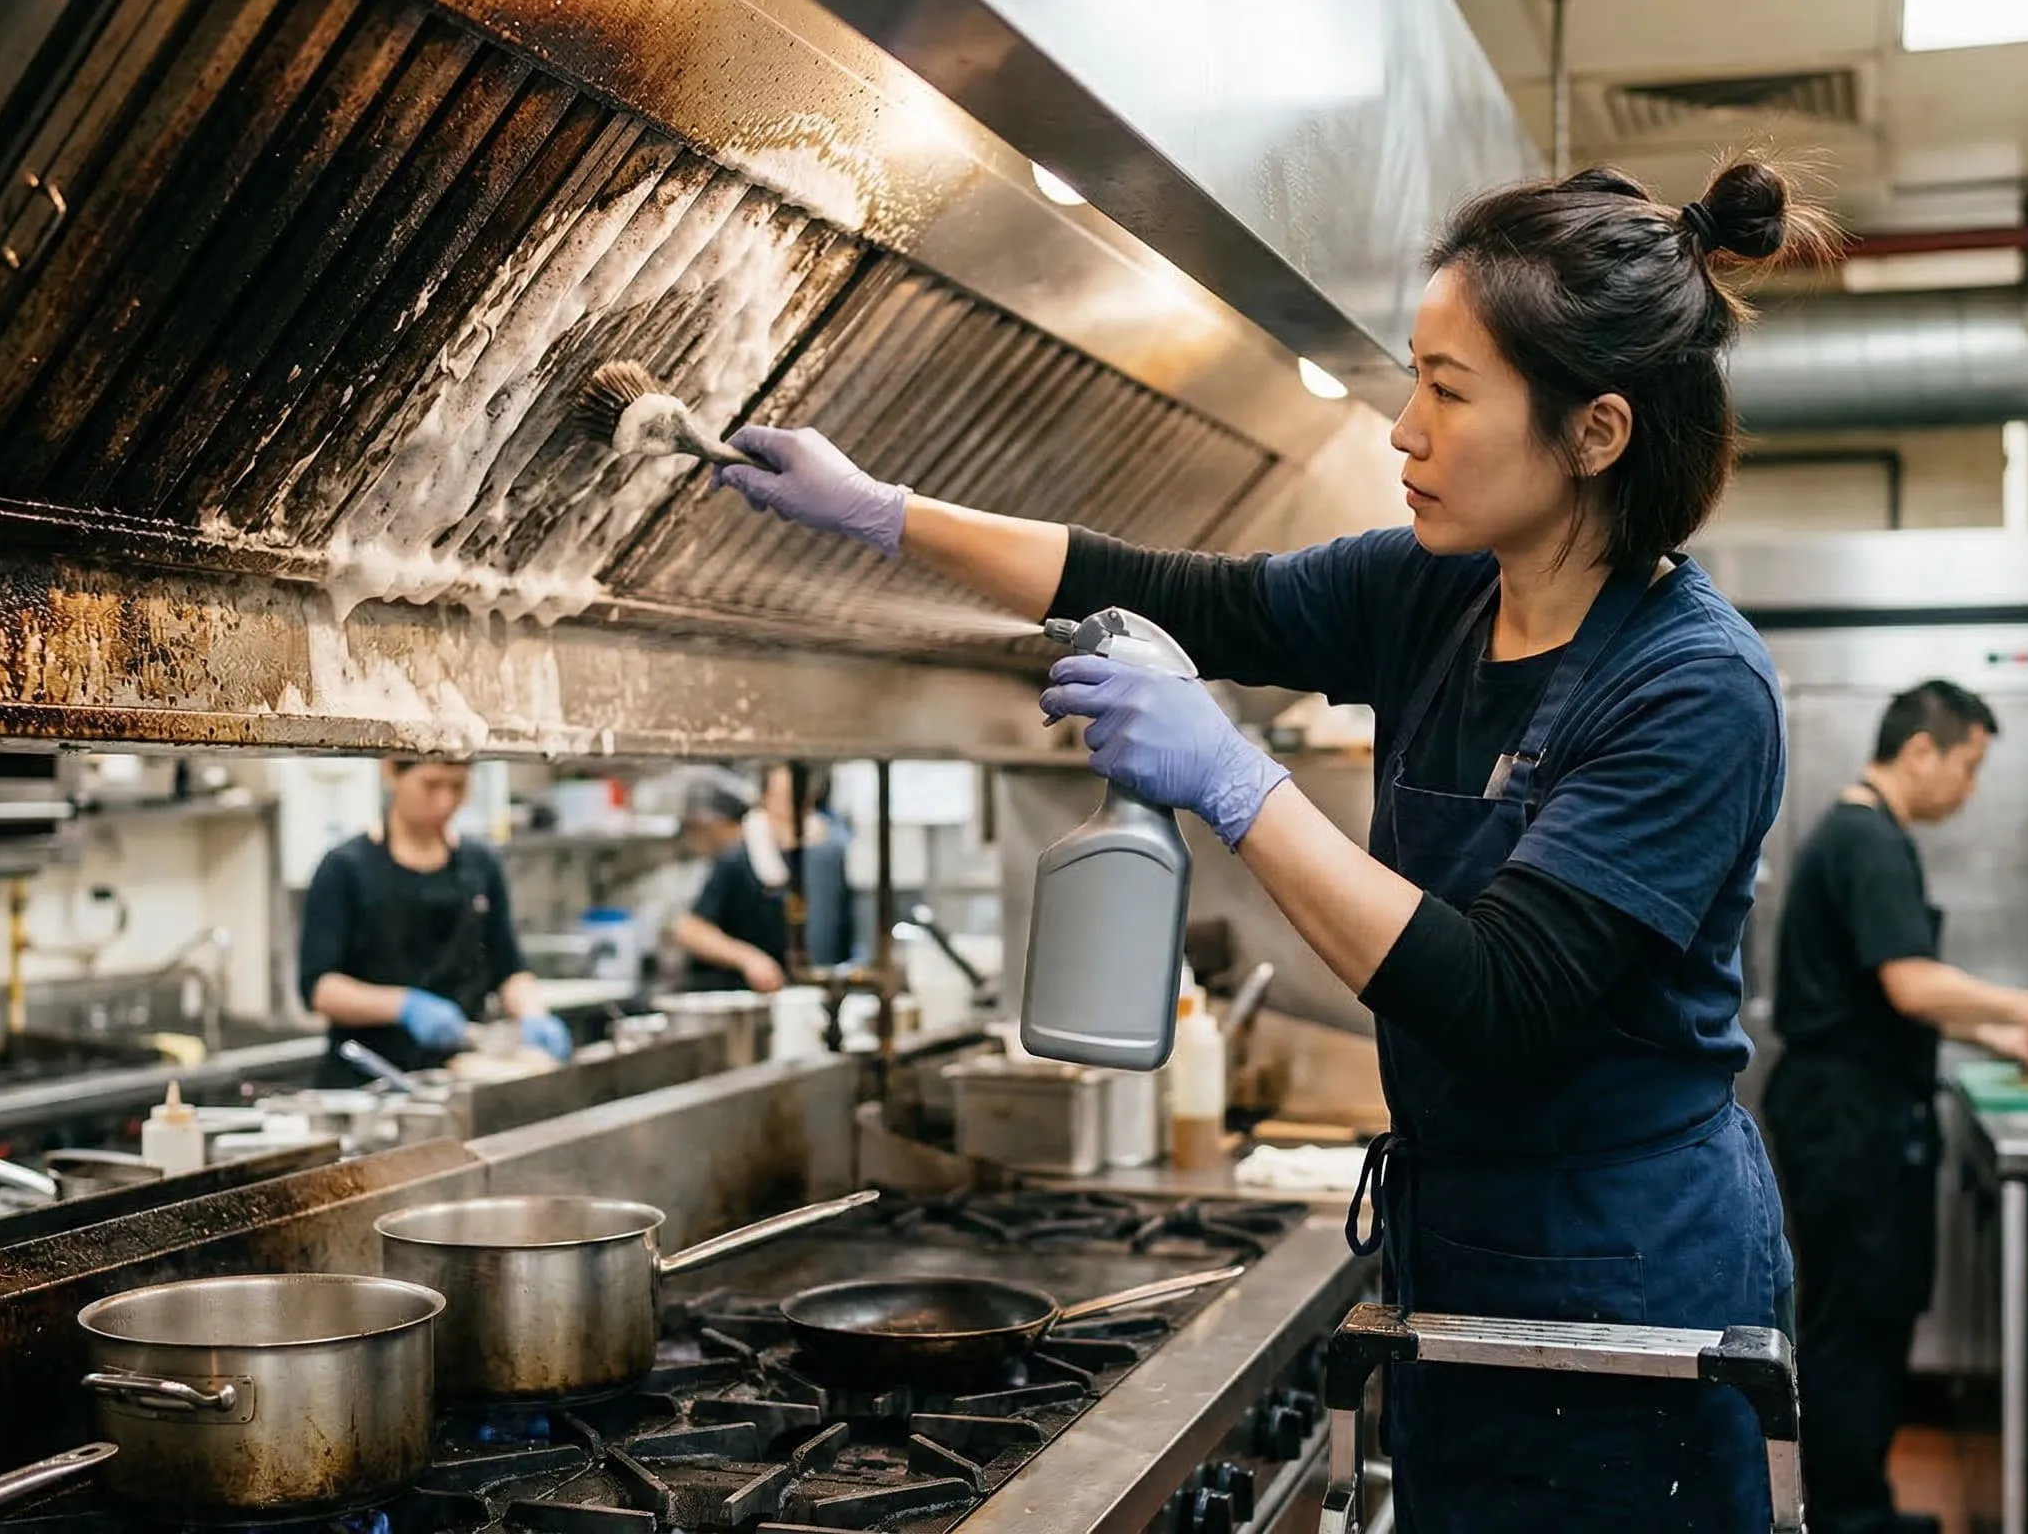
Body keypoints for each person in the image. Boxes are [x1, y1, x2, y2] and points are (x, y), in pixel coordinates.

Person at [716, 157, 1821, 1529]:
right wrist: (883, 514)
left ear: (1594, 434)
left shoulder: (1693, 686)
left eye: (1449, 390)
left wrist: (1235, 780)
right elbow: (1186, 595)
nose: (1404, 431)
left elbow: (1499, 997)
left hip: (1631, 1284)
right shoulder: (1435, 592)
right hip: (1460, 1253)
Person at [1762, 680, 2028, 1534]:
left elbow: (1885, 996)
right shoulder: (1868, 840)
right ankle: (1848, 1516)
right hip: (1850, 1122)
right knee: (1857, 1320)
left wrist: (1998, 1041)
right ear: (1921, 751)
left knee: (1857, 1313)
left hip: (1845, 1109)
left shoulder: (1859, 834)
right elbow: (1910, 984)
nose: (1971, 788)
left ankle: (1852, 1502)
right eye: (1969, 765)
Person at [299, 758, 571, 1085]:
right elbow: (319, 988)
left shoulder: (480, 865)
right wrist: (404, 1006)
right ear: (391, 772)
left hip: (457, 1077)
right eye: (431, 785)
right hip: (367, 1079)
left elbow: (509, 968)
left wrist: (533, 1014)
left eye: (457, 786)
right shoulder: (345, 868)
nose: (445, 801)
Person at [670, 764, 856, 992]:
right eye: (782, 801)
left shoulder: (830, 855)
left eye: (798, 802)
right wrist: (748, 959)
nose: (789, 813)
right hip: (747, 994)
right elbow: (690, 929)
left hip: (811, 993)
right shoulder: (739, 858)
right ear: (765, 799)